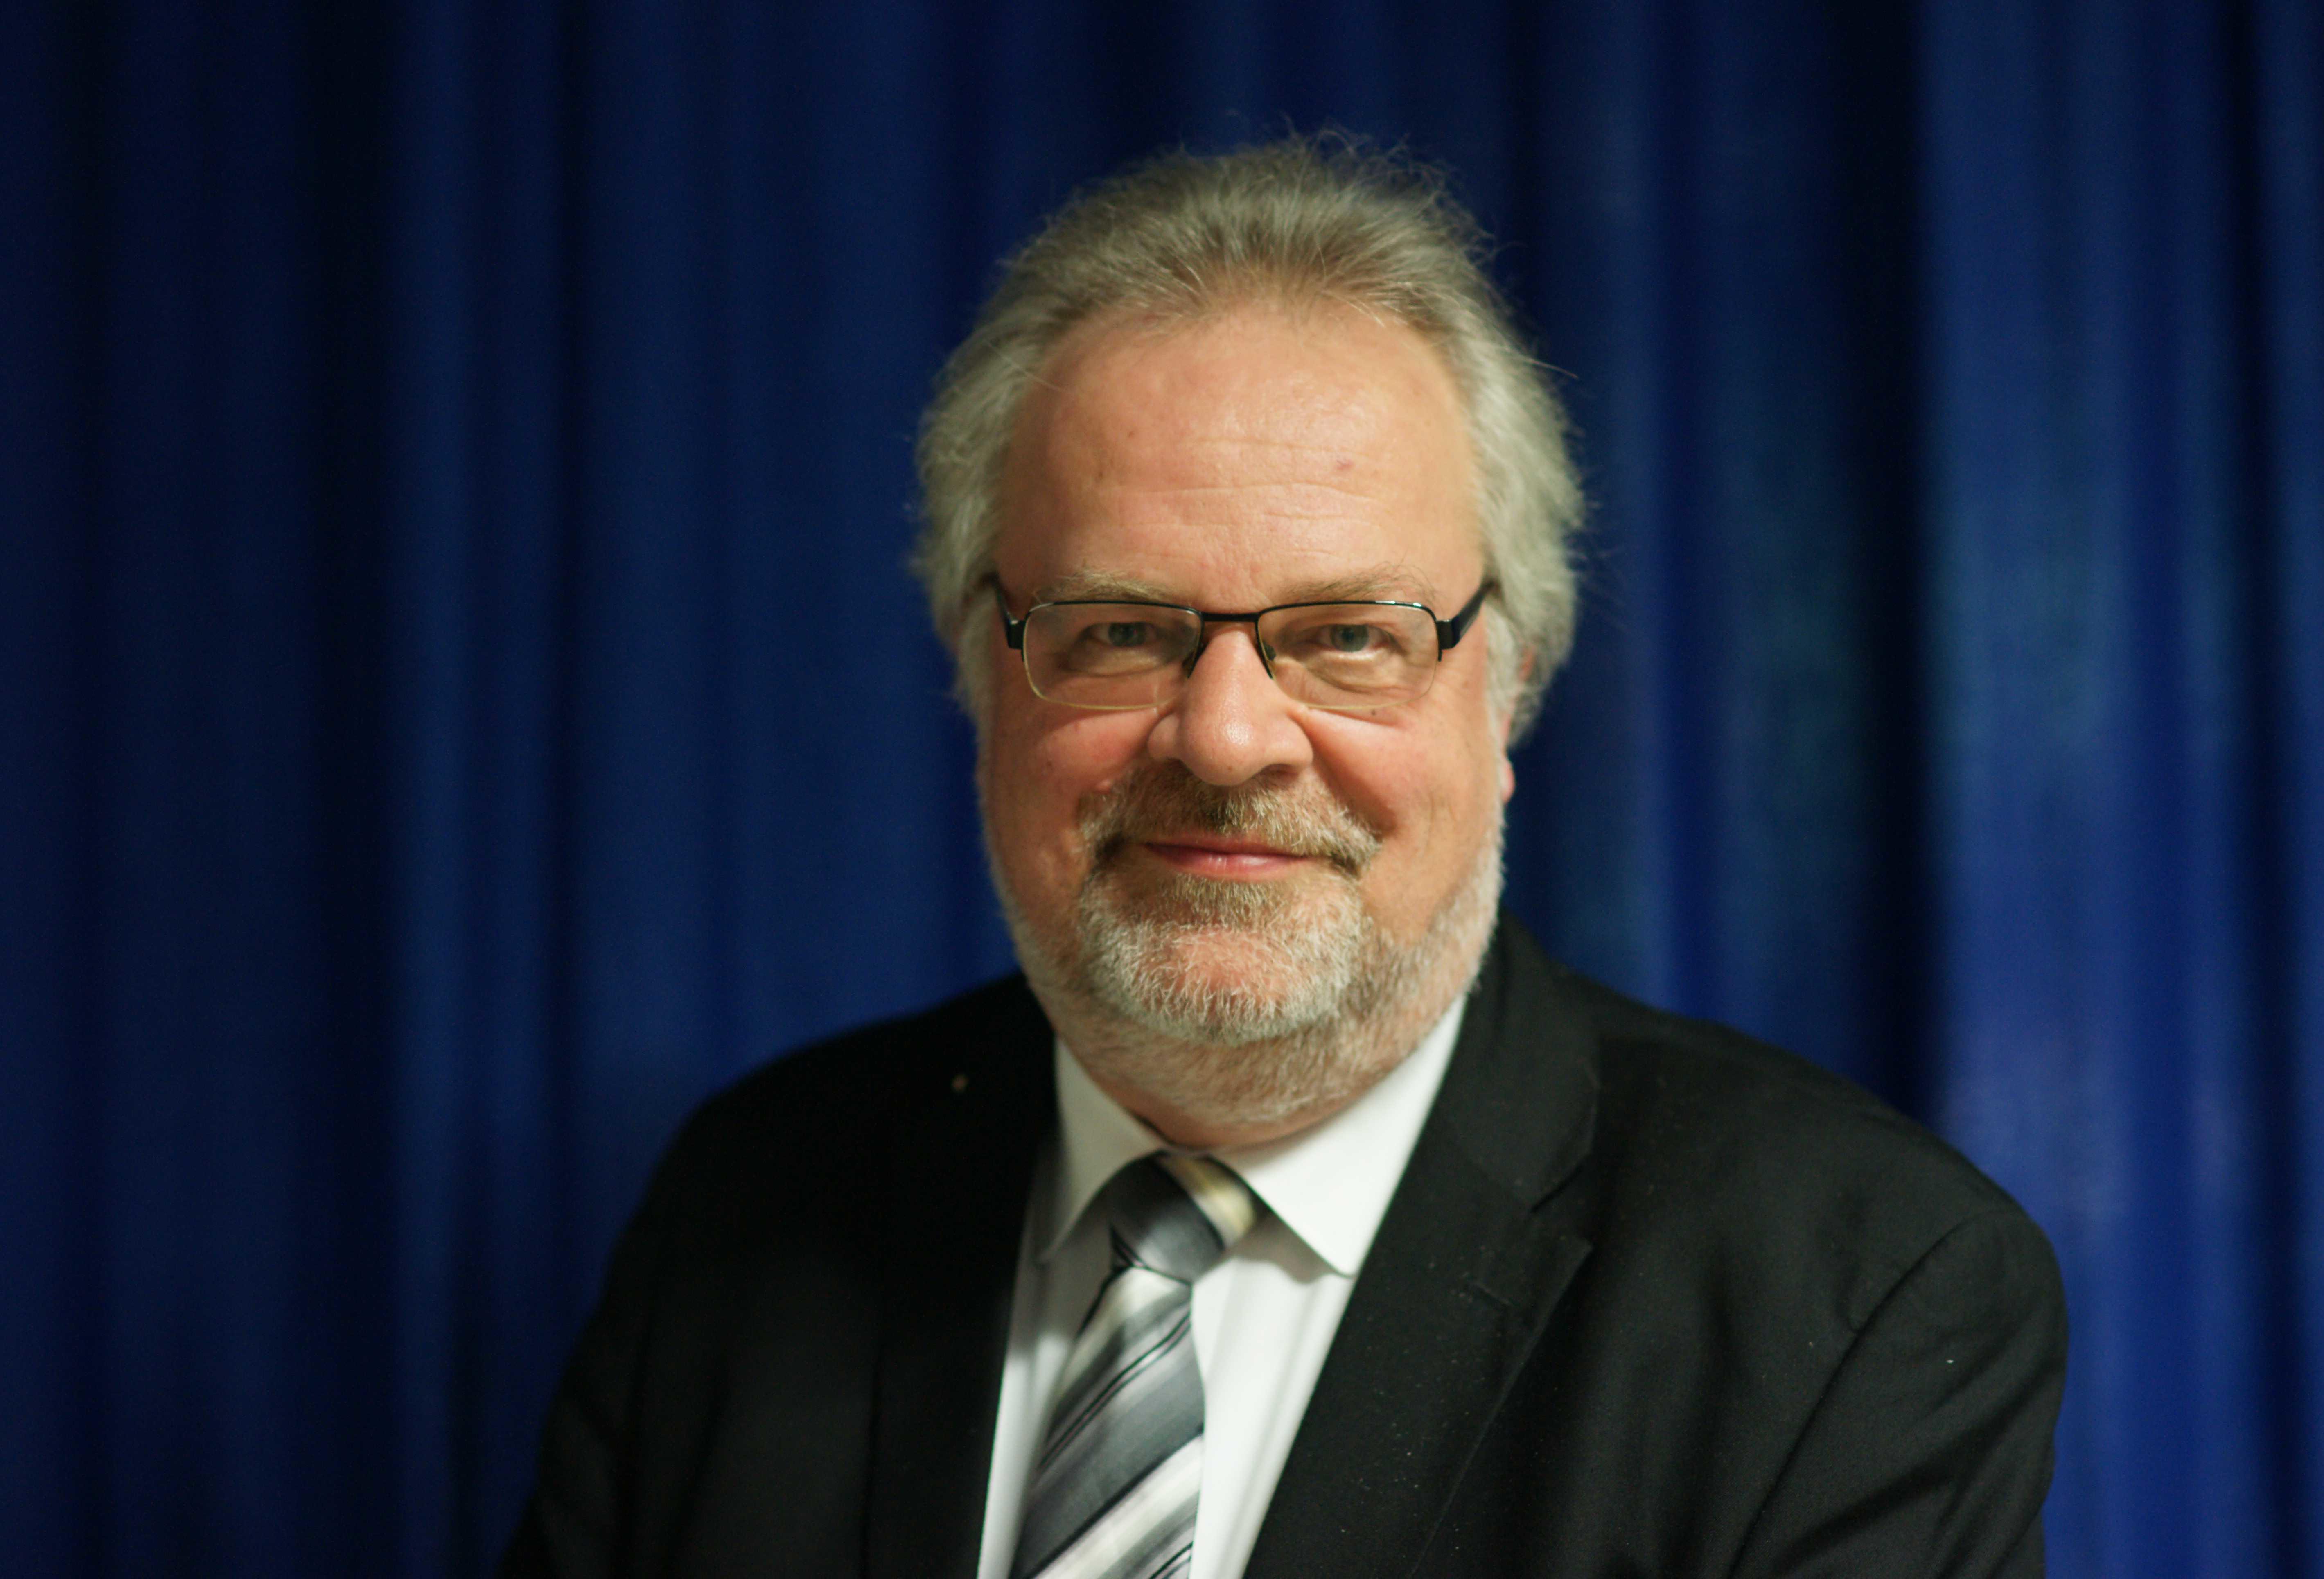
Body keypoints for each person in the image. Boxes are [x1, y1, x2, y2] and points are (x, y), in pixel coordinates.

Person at [501, 137, 2066, 1579]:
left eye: (1348, 636)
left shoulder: (1854, 1300)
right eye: (1122, 631)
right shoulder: (746, 1206)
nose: (1228, 736)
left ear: (1508, 690)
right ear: (986, 679)